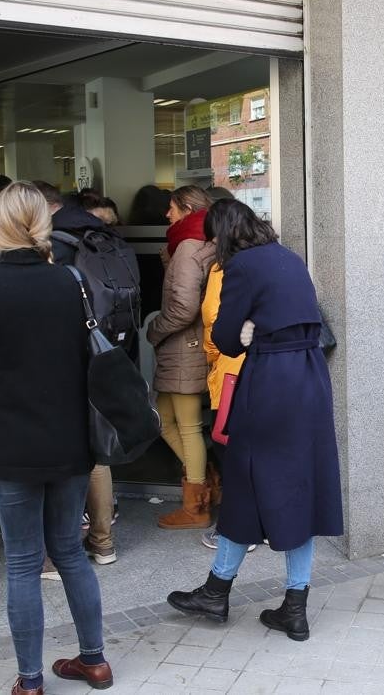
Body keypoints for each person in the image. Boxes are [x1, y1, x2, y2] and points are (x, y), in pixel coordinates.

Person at [0, 182, 111, 694]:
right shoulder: (70, 281)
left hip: (8, 440)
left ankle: (30, 681)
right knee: (69, 550)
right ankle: (95, 662)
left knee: (22, 560)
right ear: (42, 224)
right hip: (68, 438)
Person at [167, 199, 343, 641]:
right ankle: (293, 607)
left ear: (223, 233)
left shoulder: (240, 267)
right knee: (298, 489)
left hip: (269, 384)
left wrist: (245, 331)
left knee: (245, 485)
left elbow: (226, 338)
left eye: (211, 236)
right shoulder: (288, 257)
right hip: (309, 382)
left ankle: (216, 592)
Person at [35, 181, 120, 567]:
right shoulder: (101, 230)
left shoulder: (57, 241)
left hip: (63, 354)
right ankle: (104, 542)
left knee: (58, 450)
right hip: (106, 348)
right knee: (96, 448)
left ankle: (58, 553)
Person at [149, 186, 216, 529]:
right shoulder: (197, 242)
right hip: (187, 347)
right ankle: (206, 482)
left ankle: (197, 508)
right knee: (163, 419)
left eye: (171, 208)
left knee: (187, 427)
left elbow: (183, 307)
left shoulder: (190, 247)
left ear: (188, 209)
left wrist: (155, 331)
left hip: (184, 347)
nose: (167, 215)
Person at [198, 206, 247, 551]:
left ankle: (237, 528)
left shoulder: (224, 268)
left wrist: (211, 356)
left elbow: (216, 320)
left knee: (229, 449)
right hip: (264, 371)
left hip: (230, 372)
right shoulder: (267, 262)